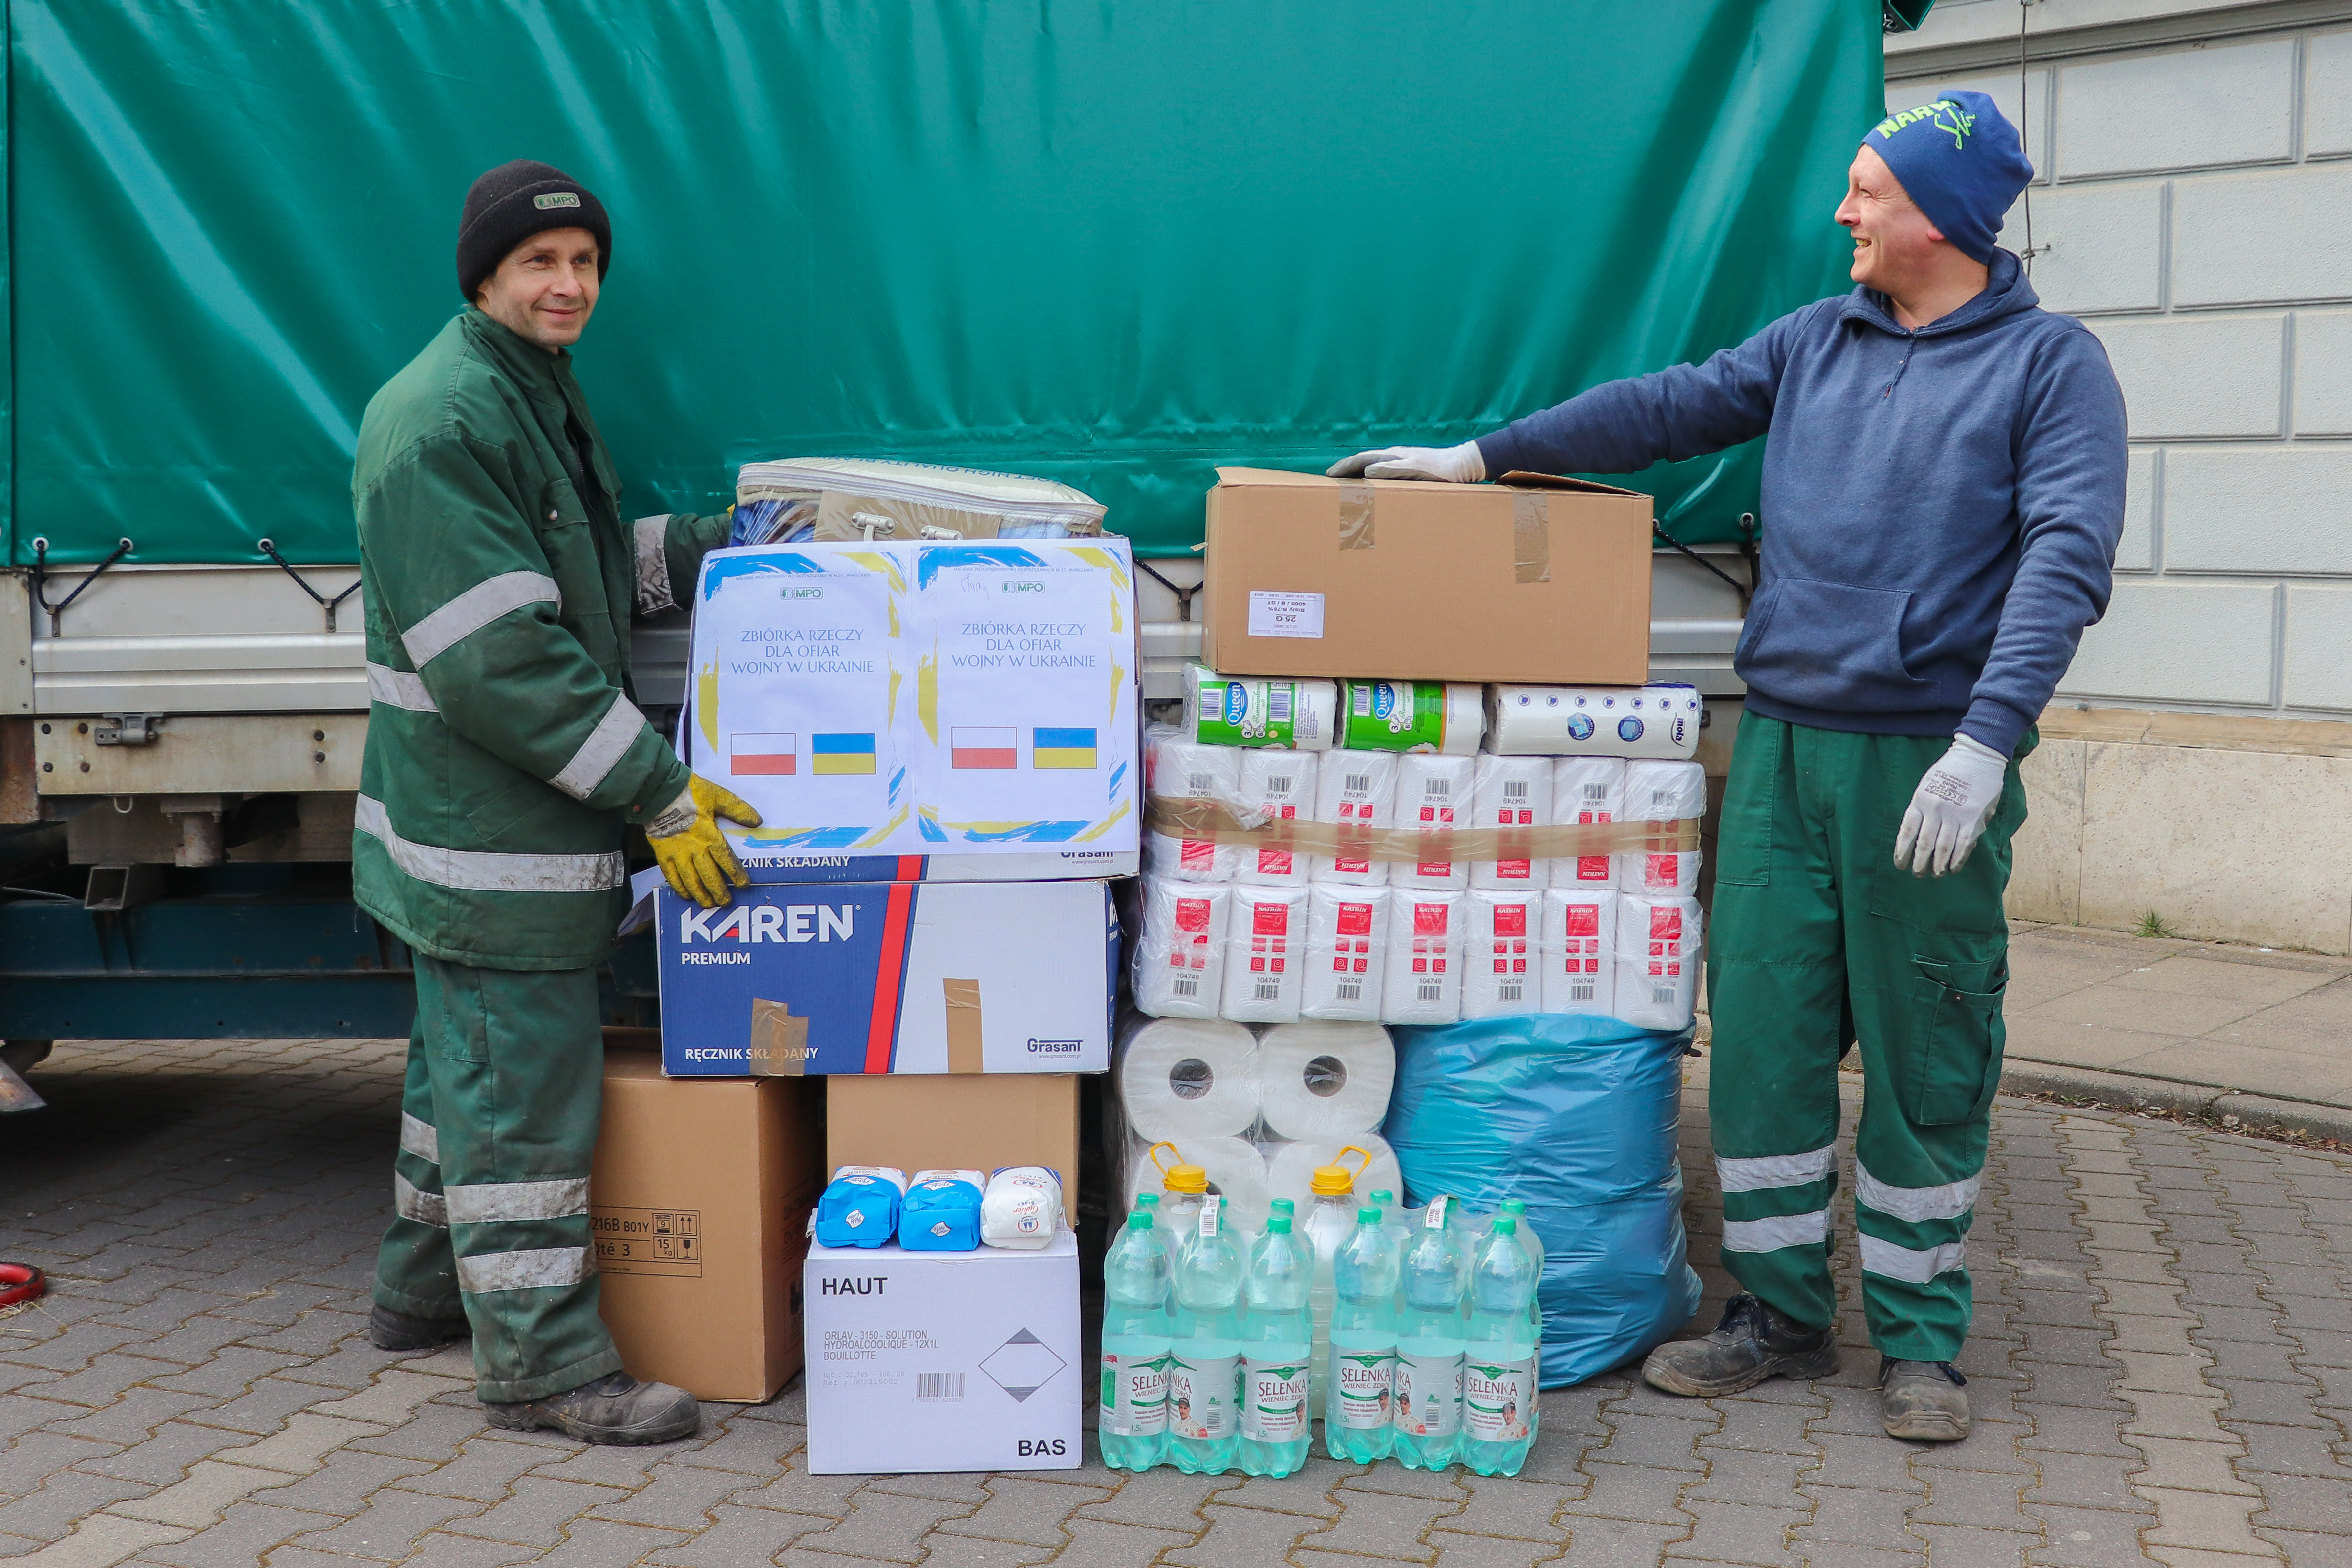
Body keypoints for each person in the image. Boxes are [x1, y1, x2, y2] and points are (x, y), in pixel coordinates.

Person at [1331, 92, 2124, 1441]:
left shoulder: (2053, 369)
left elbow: (2066, 552)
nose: (1844, 213)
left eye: (1868, 191)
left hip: (1921, 763)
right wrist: (1481, 460)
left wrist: (1987, 740)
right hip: (1782, 753)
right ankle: (1779, 1316)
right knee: (1761, 1042)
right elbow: (1667, 408)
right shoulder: (1820, 340)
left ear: (1941, 212)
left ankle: (1921, 1341)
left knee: (1930, 1050)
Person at [352, 160, 762, 1445]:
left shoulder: (524, 392)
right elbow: (505, 663)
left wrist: (719, 546)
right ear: (484, 275)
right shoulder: (445, 421)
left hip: (486, 834)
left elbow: (577, 577)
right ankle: (542, 1369)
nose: (568, 284)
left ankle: (420, 1293)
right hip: (492, 842)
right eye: (540, 263)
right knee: (524, 1097)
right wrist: (660, 794)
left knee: (460, 1075)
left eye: (584, 263)